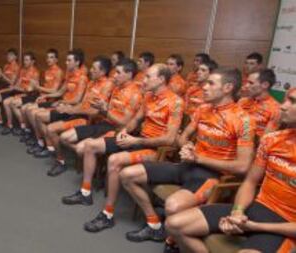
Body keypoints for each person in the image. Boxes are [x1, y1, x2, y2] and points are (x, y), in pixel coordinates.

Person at [120, 68, 255, 242]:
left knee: (172, 205)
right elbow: (182, 137)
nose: (204, 87)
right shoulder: (203, 109)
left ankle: (174, 240)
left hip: (212, 175)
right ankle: (154, 224)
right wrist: (187, 146)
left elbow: (243, 166)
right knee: (127, 175)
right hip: (188, 164)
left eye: (211, 83)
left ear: (228, 87)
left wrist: (199, 158)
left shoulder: (243, 120)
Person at [165, 88, 296, 253]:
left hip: (285, 225)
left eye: (293, 101)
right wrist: (237, 212)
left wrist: (255, 226)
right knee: (174, 224)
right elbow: (250, 182)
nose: (283, 106)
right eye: (285, 100)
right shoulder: (272, 140)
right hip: (256, 208)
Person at [67, 64, 184, 233]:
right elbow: (135, 121)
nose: (143, 80)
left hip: (155, 149)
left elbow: (170, 139)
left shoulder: (176, 102)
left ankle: (108, 214)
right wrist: (123, 133)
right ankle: (85, 193)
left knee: (114, 160)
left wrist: (136, 141)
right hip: (137, 139)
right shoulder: (149, 96)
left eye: (148, 77)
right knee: (91, 146)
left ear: (161, 79)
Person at [238, 69, 281, 140]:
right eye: (246, 82)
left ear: (265, 85)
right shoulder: (243, 101)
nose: (246, 85)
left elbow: (265, 140)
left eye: (251, 83)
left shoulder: (276, 109)